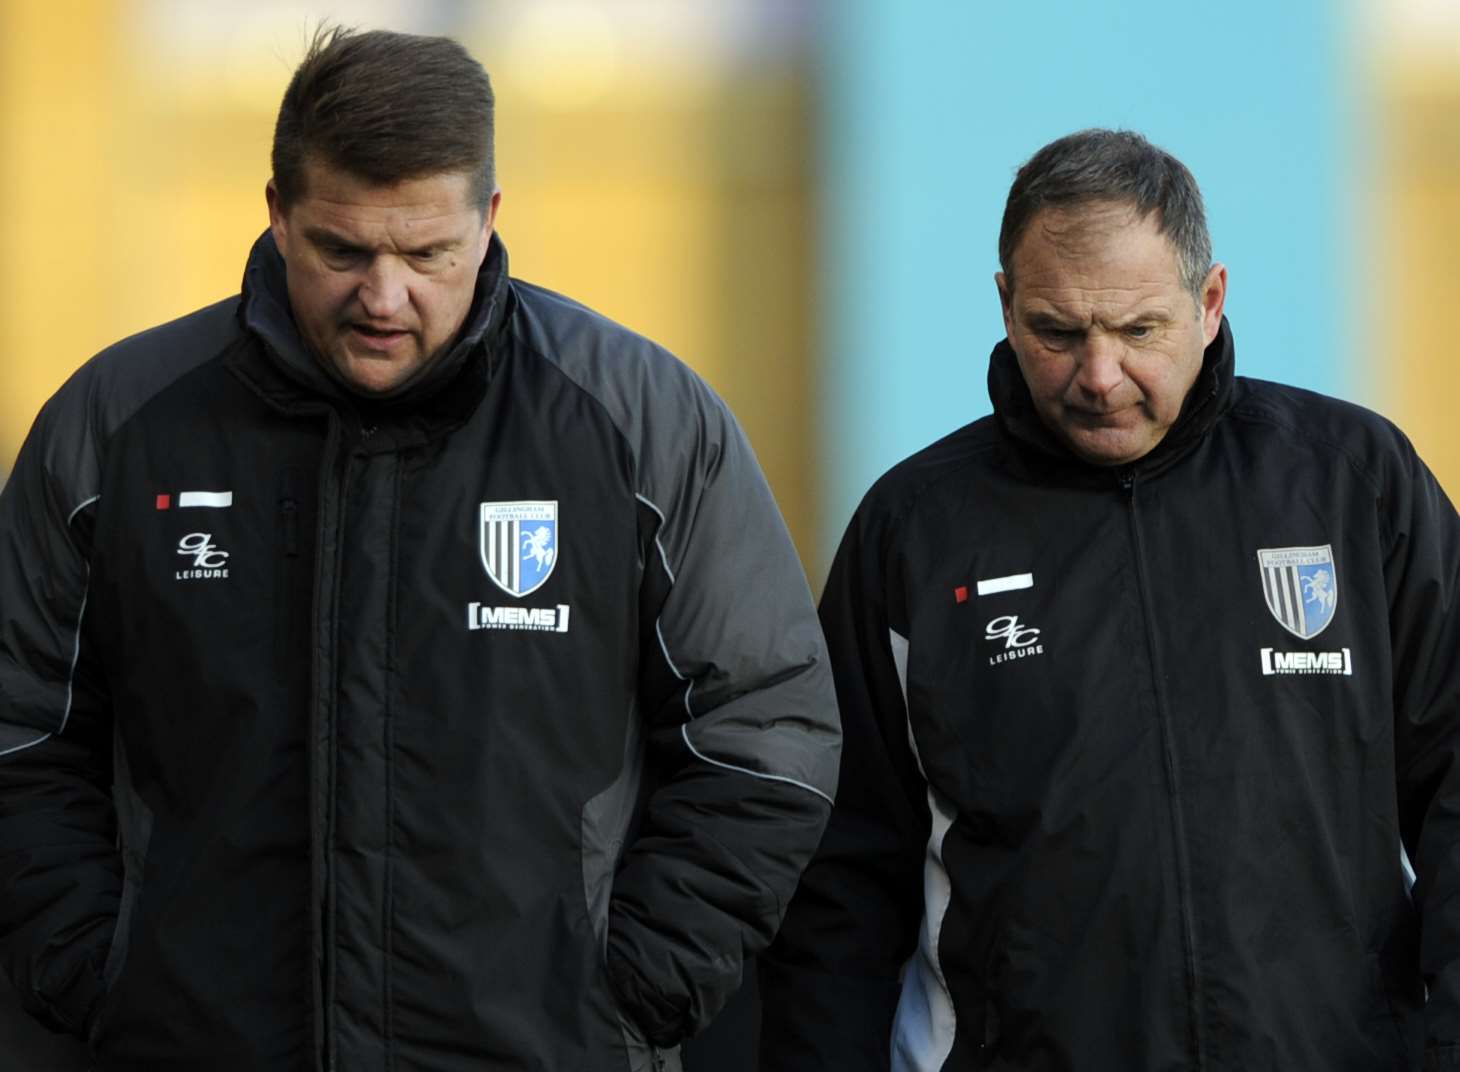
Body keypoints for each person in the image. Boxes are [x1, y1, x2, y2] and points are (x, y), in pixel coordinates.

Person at [0, 27, 839, 1071]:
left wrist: (631, 989)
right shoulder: (118, 427)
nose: (383, 298)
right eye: (341, 250)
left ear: (489, 219)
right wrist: (102, 970)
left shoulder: (640, 425)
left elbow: (763, 725)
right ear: (275, 212)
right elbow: (20, 725)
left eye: (428, 253)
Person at [759, 128, 1460, 1069]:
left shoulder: (1353, 483)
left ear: (1208, 303)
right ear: (1005, 306)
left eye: (1139, 331)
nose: (1098, 376)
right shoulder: (914, 530)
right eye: (1057, 331)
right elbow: (841, 880)